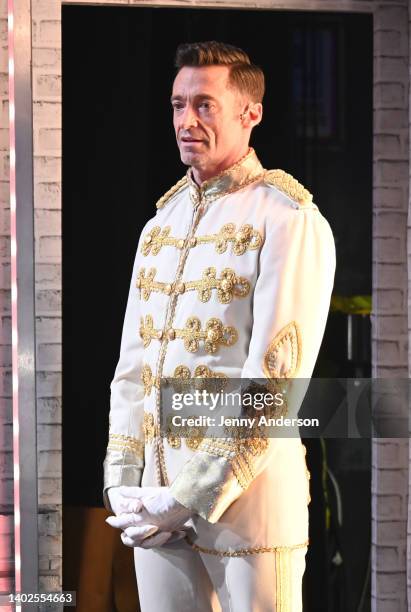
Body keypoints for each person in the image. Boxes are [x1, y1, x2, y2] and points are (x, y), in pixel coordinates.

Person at [102, 40, 336, 611]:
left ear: (249, 113)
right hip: (154, 507)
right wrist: (122, 486)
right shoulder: (160, 224)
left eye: (204, 104)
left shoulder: (287, 218)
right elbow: (133, 369)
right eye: (178, 105)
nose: (186, 120)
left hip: (248, 512)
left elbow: (274, 381)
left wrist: (186, 498)